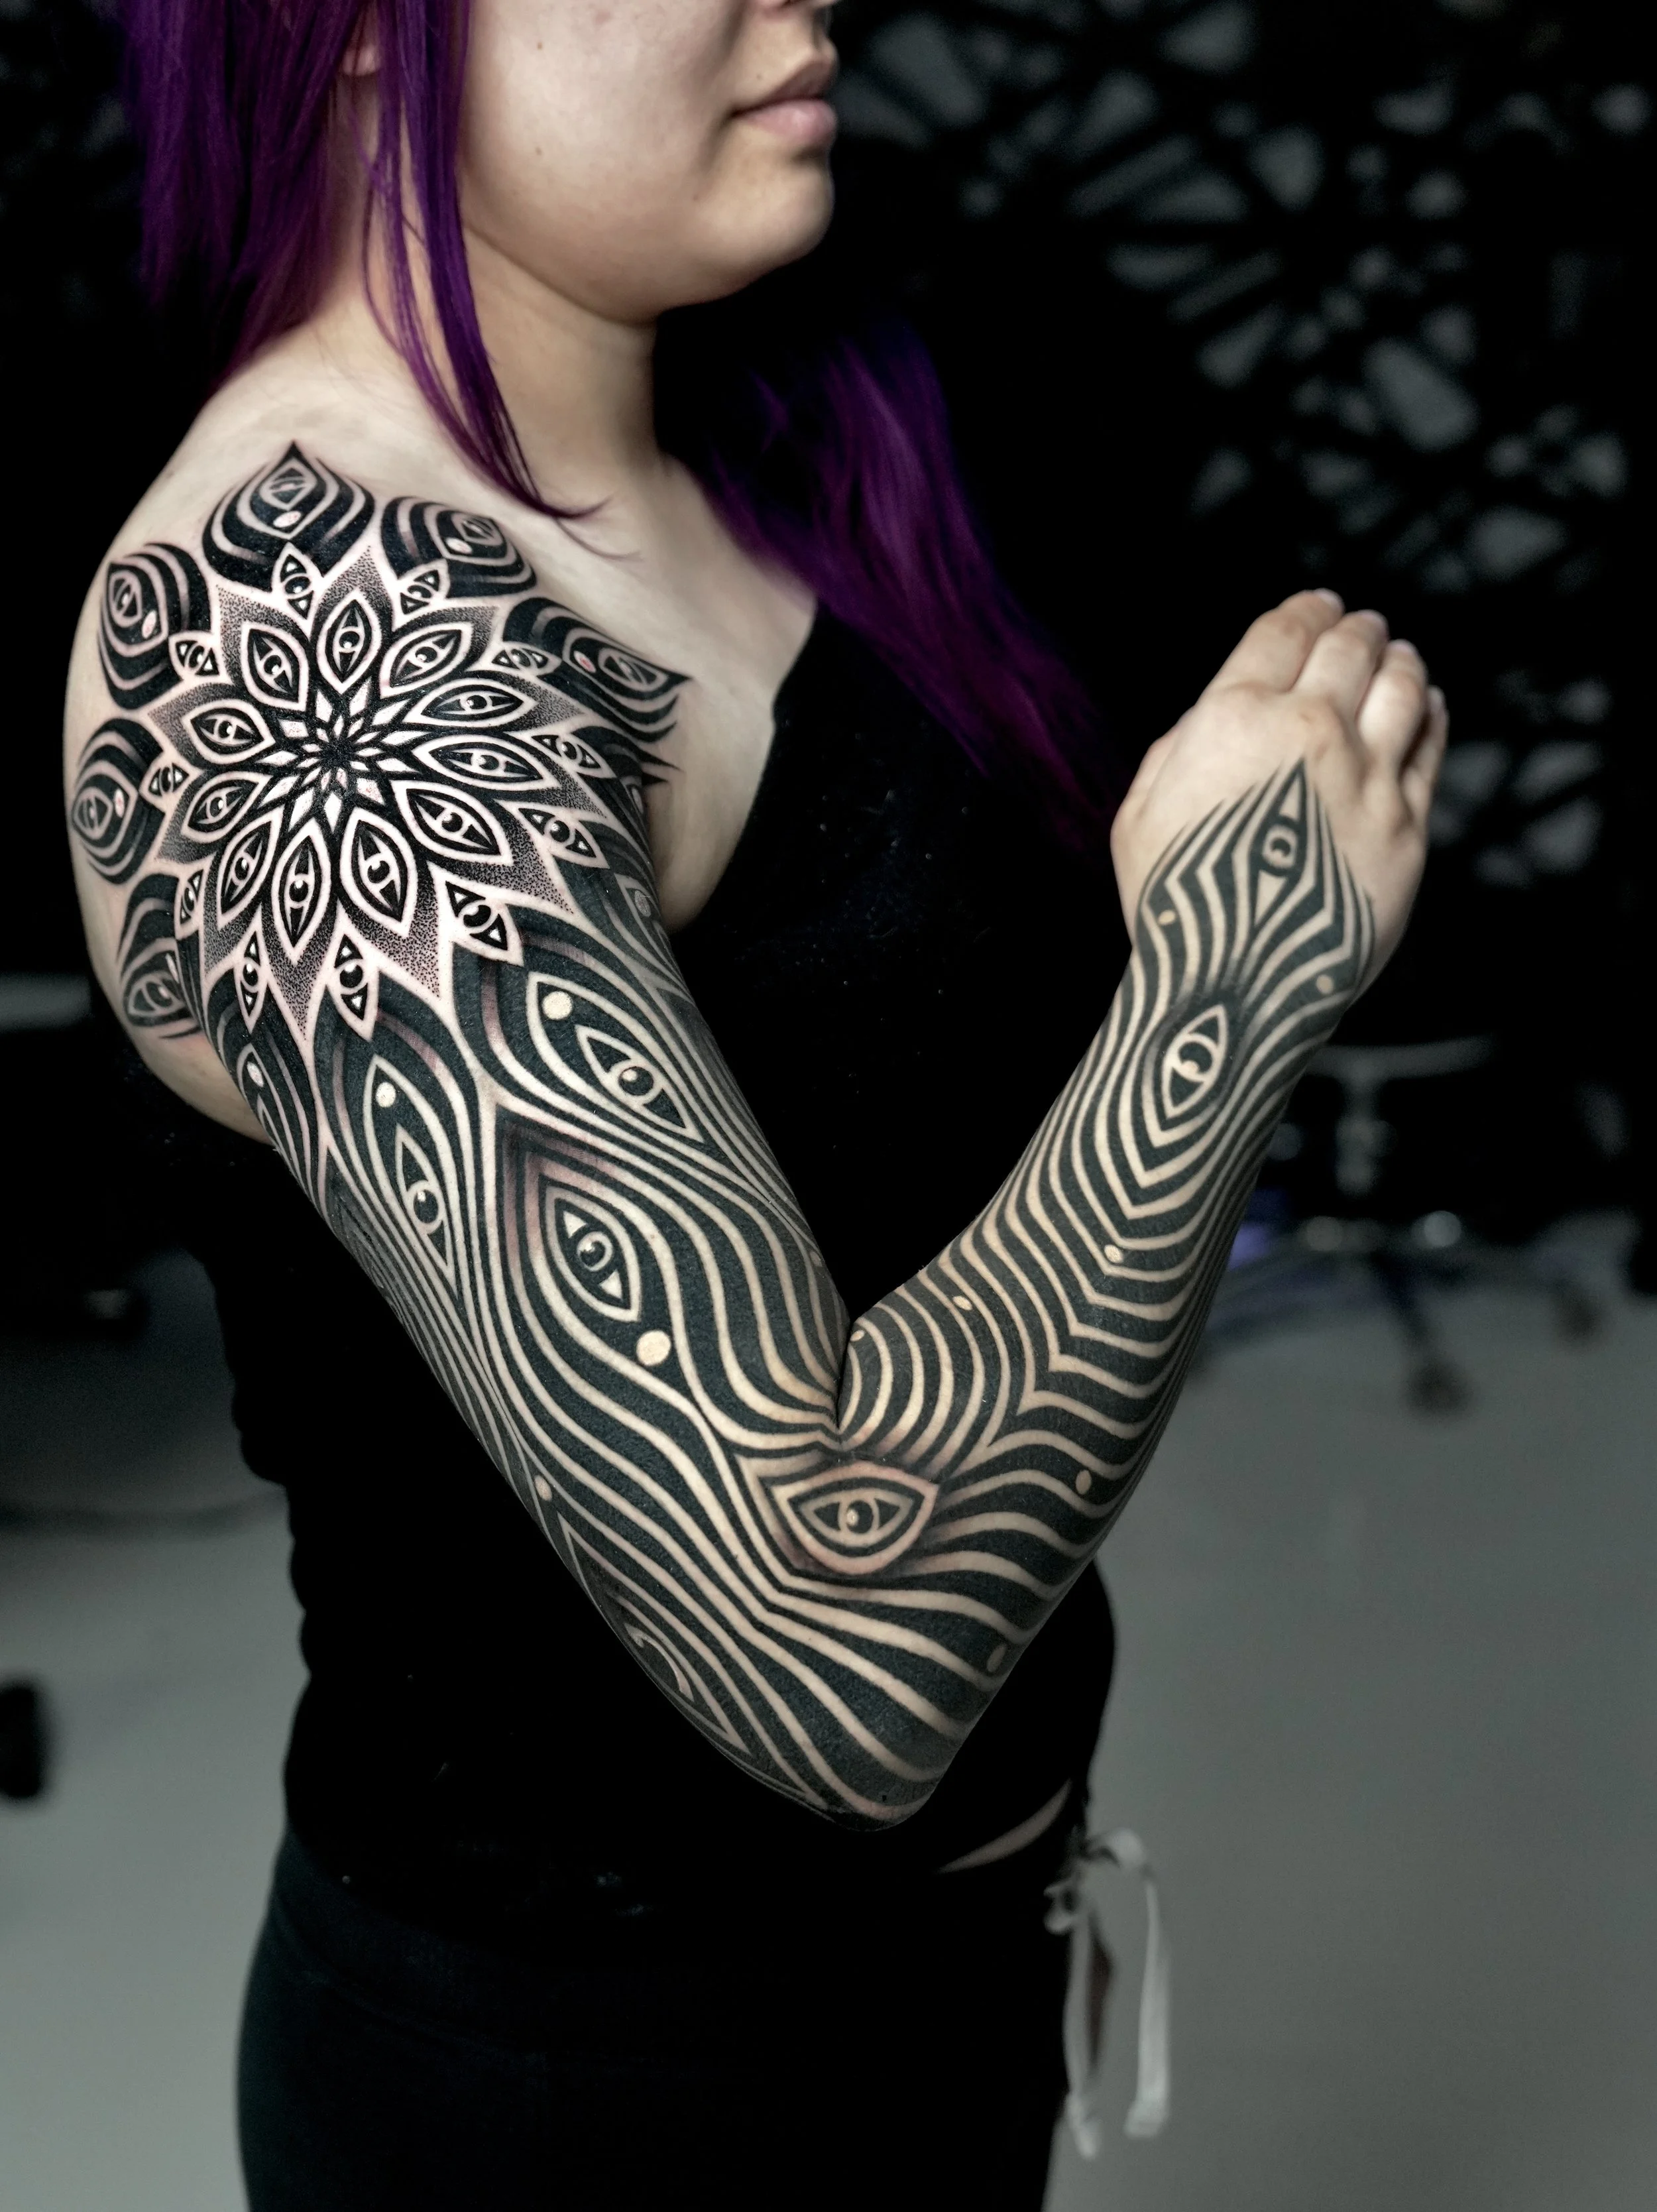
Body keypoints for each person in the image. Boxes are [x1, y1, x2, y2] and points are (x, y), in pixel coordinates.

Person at [64, 1, 1447, 2205]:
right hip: (603, 2107)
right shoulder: (304, 641)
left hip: (940, 1985)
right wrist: (1233, 970)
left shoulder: (752, 425)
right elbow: (825, 1639)